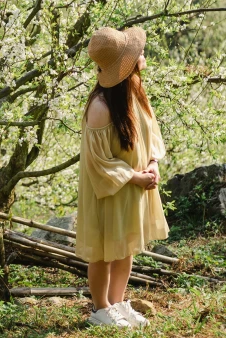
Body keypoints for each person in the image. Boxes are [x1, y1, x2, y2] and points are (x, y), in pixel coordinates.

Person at [75, 26, 169, 328]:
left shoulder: (134, 90)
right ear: (123, 65)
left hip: (134, 184)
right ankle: (101, 308)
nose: (141, 55)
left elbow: (149, 130)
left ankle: (117, 301)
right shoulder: (100, 108)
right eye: (135, 53)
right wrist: (134, 177)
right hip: (110, 189)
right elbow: (98, 162)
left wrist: (152, 162)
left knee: (126, 244)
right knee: (104, 251)